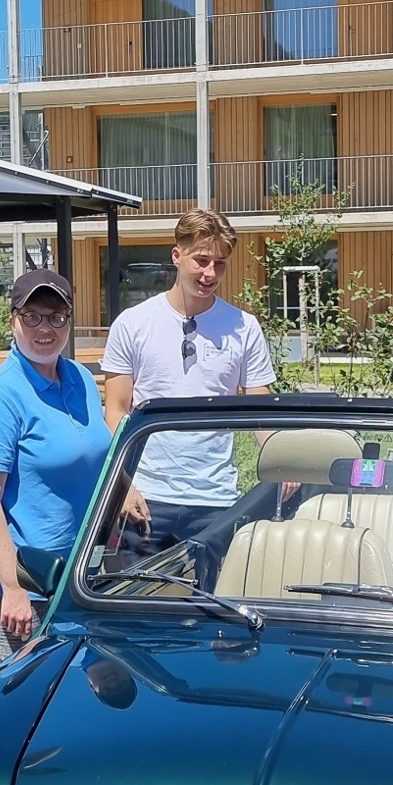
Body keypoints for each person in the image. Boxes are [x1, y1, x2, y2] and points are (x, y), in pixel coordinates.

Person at [0, 268, 110, 663]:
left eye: (56, 317)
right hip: (18, 570)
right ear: (12, 320)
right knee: (23, 688)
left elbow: (94, 452)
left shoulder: (81, 378)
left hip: (70, 565)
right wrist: (12, 587)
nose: (44, 328)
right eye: (31, 316)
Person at [101, 208, 274, 558]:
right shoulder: (132, 324)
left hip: (217, 501)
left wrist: (286, 464)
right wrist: (123, 486)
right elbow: (116, 411)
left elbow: (262, 412)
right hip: (146, 500)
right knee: (138, 609)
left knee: (214, 611)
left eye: (220, 264)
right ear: (177, 256)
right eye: (201, 260)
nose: (210, 273)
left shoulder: (244, 327)